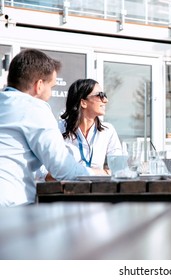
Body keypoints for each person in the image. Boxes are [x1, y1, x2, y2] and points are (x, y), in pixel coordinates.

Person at [0, 49, 105, 207]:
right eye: (52, 87)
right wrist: (100, 174)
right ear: (39, 85)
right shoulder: (33, 107)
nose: (50, 94)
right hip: (10, 209)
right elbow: (62, 168)